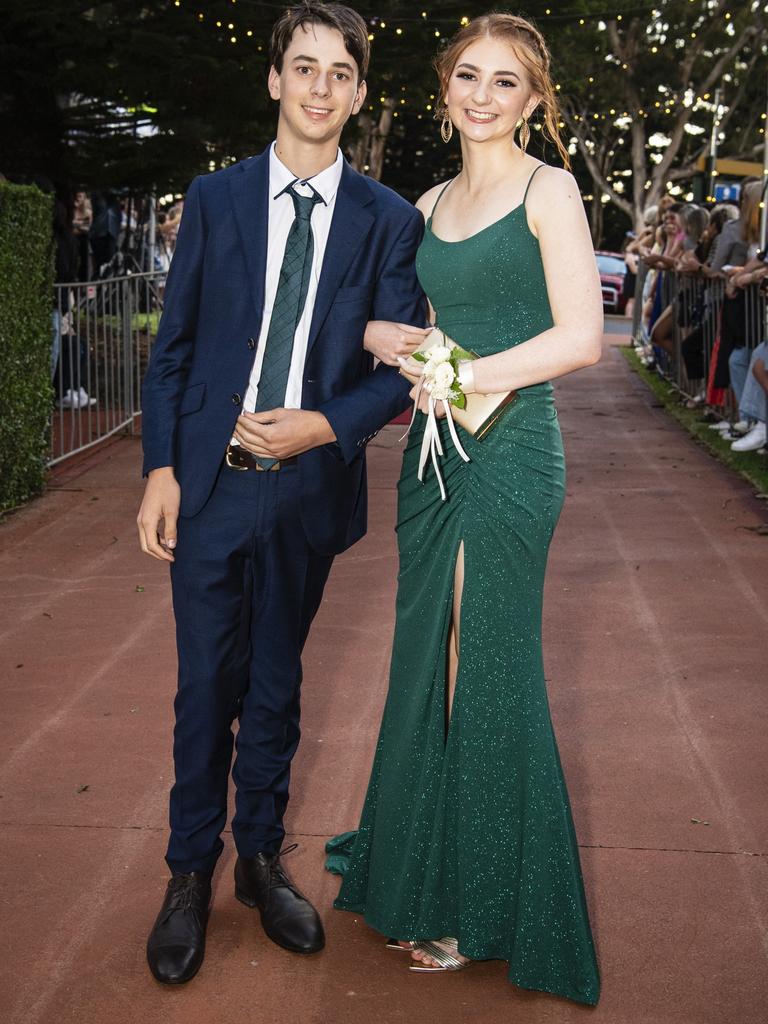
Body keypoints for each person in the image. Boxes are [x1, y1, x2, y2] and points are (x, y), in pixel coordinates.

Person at [137, 1, 427, 986]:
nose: (319, 88)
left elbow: (395, 369)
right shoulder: (215, 200)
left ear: (357, 92)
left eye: (339, 73)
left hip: (306, 489)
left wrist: (326, 424)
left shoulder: (389, 221)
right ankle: (189, 873)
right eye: (302, 67)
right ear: (273, 80)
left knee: (274, 684)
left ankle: (259, 860)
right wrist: (164, 470)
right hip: (213, 489)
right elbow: (171, 352)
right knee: (202, 689)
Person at [326, 12, 602, 1006]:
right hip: (434, 459)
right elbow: (428, 324)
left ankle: (481, 902)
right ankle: (419, 867)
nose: (483, 95)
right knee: (422, 655)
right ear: (445, 86)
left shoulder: (549, 189)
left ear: (534, 100)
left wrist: (471, 368)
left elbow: (581, 338)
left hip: (516, 452)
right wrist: (396, 339)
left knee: (479, 659)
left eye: (507, 82)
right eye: (470, 77)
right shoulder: (430, 199)